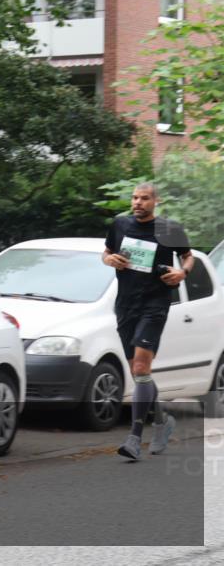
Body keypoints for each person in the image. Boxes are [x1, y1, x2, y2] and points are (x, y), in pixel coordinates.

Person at [102, 182, 193, 460]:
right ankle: (163, 423)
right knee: (138, 373)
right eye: (134, 198)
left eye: (144, 198)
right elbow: (105, 252)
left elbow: (187, 257)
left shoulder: (169, 229)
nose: (138, 202)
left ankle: (134, 438)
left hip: (155, 304)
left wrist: (182, 273)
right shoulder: (120, 225)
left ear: (156, 201)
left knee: (142, 367)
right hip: (125, 305)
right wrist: (109, 259)